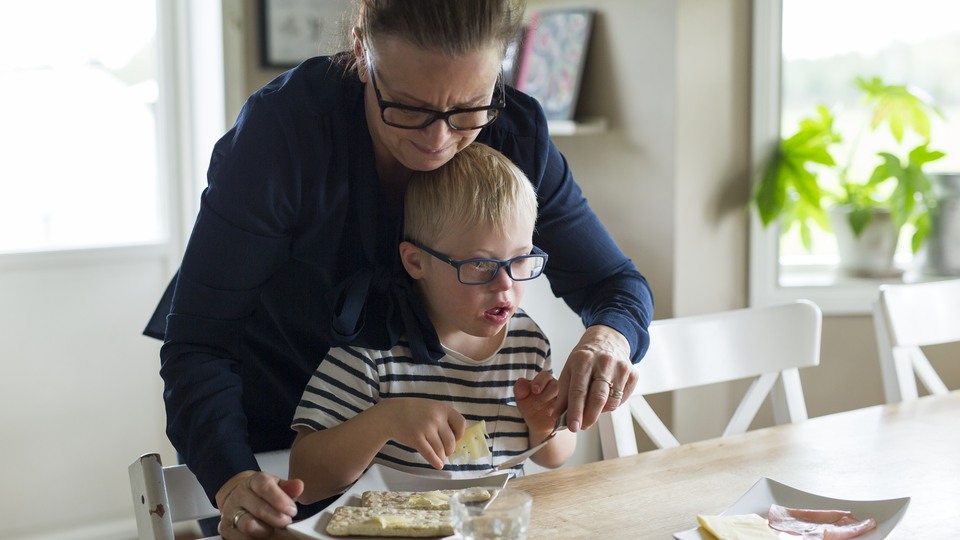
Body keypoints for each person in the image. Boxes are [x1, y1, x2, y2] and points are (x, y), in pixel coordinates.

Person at [144, 1, 653, 538]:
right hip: (273, 426)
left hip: (428, 478)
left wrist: (608, 340)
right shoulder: (283, 133)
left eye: (468, 109)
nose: (438, 141)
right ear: (363, 50)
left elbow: (615, 284)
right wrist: (232, 477)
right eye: (407, 108)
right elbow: (199, 345)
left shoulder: (517, 132)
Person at [289, 143, 577, 504]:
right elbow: (304, 478)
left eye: (519, 260)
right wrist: (386, 420)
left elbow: (555, 456)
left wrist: (543, 424)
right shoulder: (375, 348)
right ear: (416, 261)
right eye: (480, 264)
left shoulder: (528, 341)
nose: (505, 283)